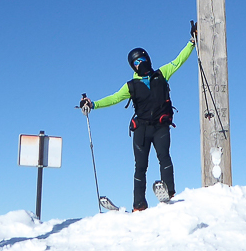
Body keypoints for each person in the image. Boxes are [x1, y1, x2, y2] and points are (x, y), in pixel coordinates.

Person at [80, 22, 197, 210]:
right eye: (136, 63)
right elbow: (114, 98)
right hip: (141, 130)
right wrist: (93, 104)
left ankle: (169, 192)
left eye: (142, 60)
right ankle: (139, 204)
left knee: (164, 157)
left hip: (160, 126)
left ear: (148, 59)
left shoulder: (162, 74)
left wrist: (192, 42)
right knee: (140, 166)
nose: (140, 64)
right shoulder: (131, 86)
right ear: (132, 67)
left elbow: (178, 61)